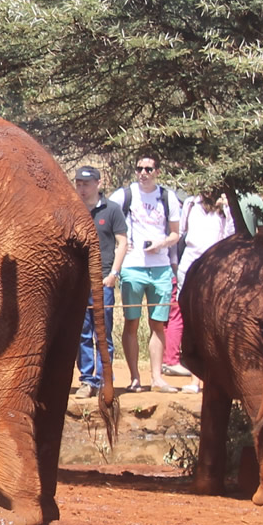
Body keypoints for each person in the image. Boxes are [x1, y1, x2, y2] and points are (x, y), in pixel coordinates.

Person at [109, 156, 182, 392]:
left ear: (157, 171)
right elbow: (106, 220)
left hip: (160, 267)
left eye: (148, 169)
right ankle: (134, 378)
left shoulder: (168, 196)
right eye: (139, 168)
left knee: (158, 324)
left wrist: (161, 244)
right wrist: (119, 245)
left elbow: (175, 234)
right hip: (132, 267)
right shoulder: (124, 195)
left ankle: (157, 378)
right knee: (131, 322)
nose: (143, 173)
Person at [162, 189, 236, 386]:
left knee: (214, 318)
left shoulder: (225, 206)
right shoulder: (191, 203)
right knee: (189, 317)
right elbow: (182, 232)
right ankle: (191, 373)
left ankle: (214, 374)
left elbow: (230, 234)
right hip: (189, 265)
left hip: (215, 266)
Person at [73, 167, 127, 397]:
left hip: (103, 280)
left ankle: (105, 379)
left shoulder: (112, 210)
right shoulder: (73, 210)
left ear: (98, 183)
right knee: (82, 333)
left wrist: (113, 274)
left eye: (86, 184)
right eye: (78, 183)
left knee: (102, 331)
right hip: (79, 282)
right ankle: (87, 381)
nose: (82, 188)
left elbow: (122, 243)